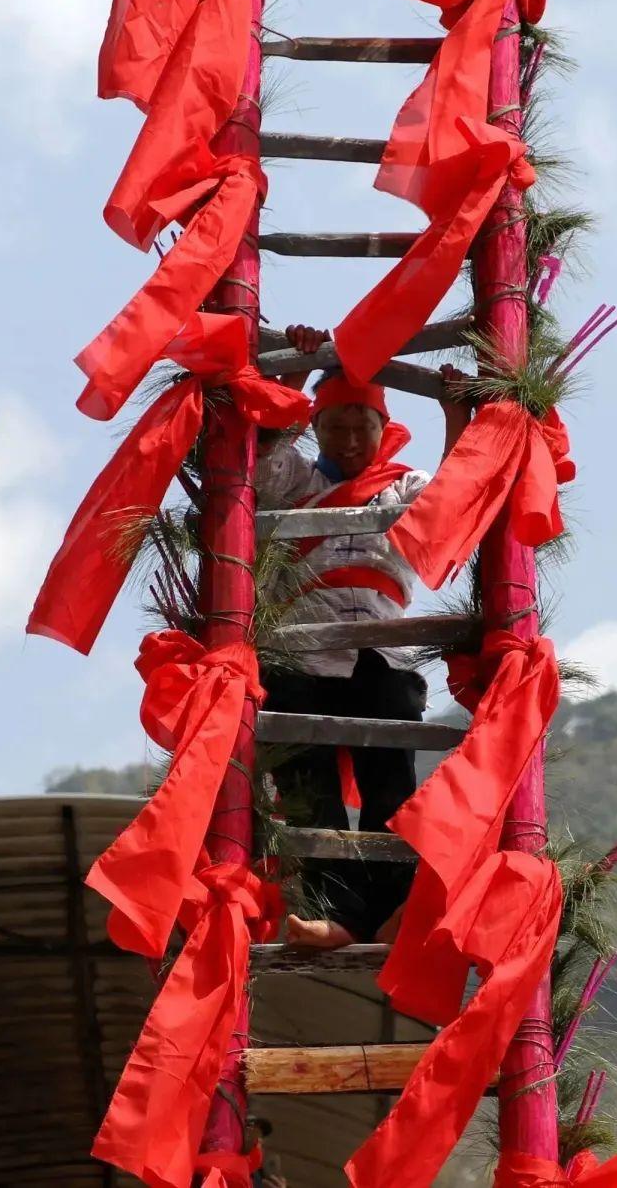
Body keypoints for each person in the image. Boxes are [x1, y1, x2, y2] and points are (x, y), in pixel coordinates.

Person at [256, 325, 471, 950]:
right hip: (300, 655)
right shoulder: (295, 481)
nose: (350, 442)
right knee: (308, 791)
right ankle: (337, 915)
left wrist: (454, 412)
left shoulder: (404, 486)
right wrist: (296, 373)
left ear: (384, 428)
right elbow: (257, 460)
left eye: (363, 428)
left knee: (390, 790)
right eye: (335, 427)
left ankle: (385, 911)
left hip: (383, 656)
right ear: (314, 426)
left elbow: (457, 499)